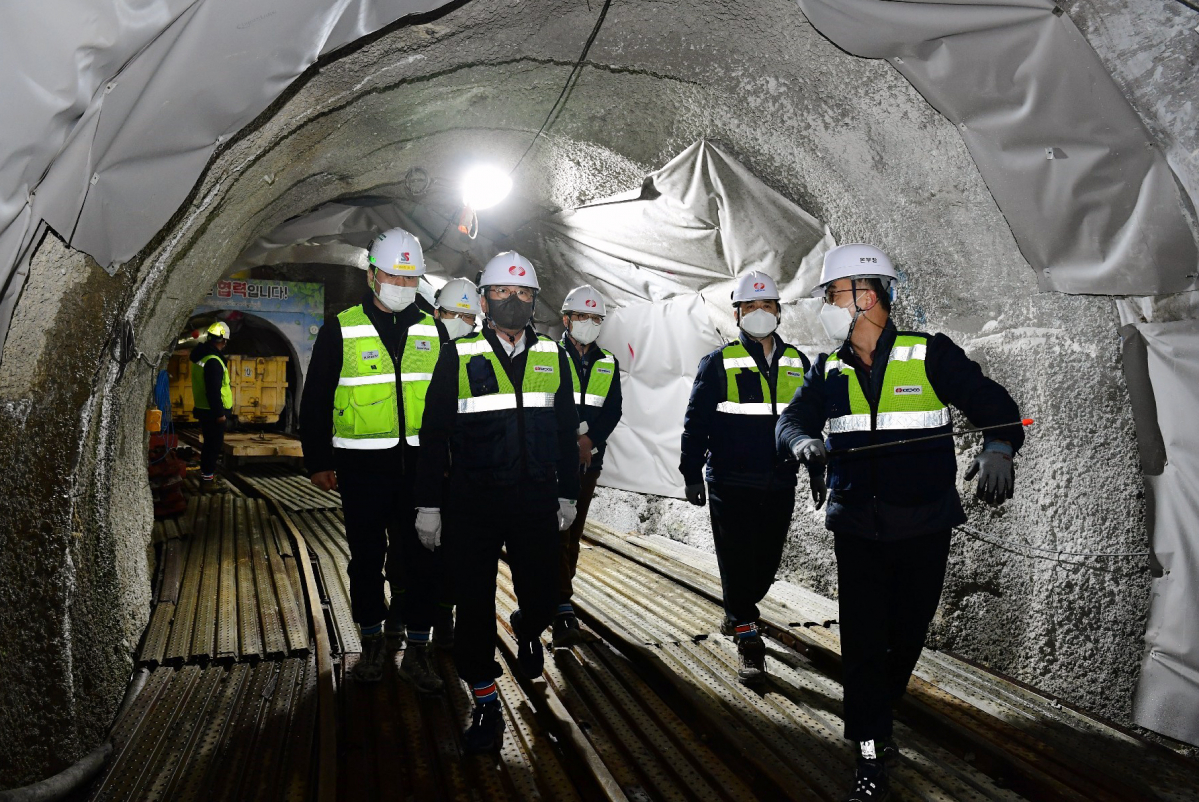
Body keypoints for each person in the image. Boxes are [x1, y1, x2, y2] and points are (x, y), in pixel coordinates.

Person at [775, 243, 1022, 802]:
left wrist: (1000, 445)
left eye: (833, 294)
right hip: (858, 527)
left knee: (906, 636)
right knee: (863, 642)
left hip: (924, 526)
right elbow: (792, 419)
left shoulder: (929, 353)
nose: (829, 305)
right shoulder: (829, 367)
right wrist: (803, 441)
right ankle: (868, 746)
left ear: (867, 296)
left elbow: (994, 405)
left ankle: (875, 713)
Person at [414, 251, 579, 754]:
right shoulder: (459, 355)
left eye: (523, 293)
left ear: (533, 302)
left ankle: (529, 626)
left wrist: (567, 493)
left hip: (533, 499)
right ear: (485, 300)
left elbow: (567, 430)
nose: (514, 301)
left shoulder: (553, 356)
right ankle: (485, 701)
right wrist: (429, 505)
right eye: (503, 293)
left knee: (545, 596)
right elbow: (434, 433)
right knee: (474, 606)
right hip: (473, 502)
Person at [299, 227, 447, 692]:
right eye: (392, 277)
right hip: (362, 469)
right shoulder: (341, 327)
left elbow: (447, 403)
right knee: (366, 559)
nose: (401, 287)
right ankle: (372, 642)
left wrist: (448, 460)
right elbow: (316, 398)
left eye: (410, 279)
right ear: (372, 275)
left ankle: (417, 650)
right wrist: (318, 459)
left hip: (421, 469)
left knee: (422, 558)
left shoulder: (434, 329)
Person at [679, 271, 811, 686]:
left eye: (766, 305)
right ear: (737, 314)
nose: (759, 313)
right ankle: (747, 634)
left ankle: (739, 607)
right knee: (736, 557)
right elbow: (695, 423)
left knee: (765, 563)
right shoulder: (718, 363)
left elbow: (808, 417)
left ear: (778, 311)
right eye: (750, 307)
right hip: (730, 480)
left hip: (778, 481)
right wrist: (691, 473)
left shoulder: (798, 362)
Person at [552, 285, 623, 648]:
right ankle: (561, 604)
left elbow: (613, 411)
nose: (588, 324)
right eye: (582, 317)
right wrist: (569, 441)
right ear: (566, 320)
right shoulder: (547, 355)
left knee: (573, 530)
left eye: (596, 318)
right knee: (555, 532)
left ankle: (561, 597)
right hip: (552, 462)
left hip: (587, 464)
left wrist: (589, 441)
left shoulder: (608, 362)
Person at [422, 276, 484, 647]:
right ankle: (413, 614)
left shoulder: (480, 354)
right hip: (423, 464)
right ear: (436, 312)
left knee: (457, 552)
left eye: (468, 316)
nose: (460, 321)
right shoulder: (420, 349)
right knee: (420, 549)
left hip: (465, 472)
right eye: (451, 313)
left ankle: (444, 614)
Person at [190, 321, 233, 493]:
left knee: (210, 445)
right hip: (213, 413)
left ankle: (208, 476)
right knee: (212, 447)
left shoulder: (202, 357)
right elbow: (213, 391)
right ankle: (207, 481)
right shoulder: (214, 361)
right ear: (222, 341)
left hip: (205, 410)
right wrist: (220, 414)